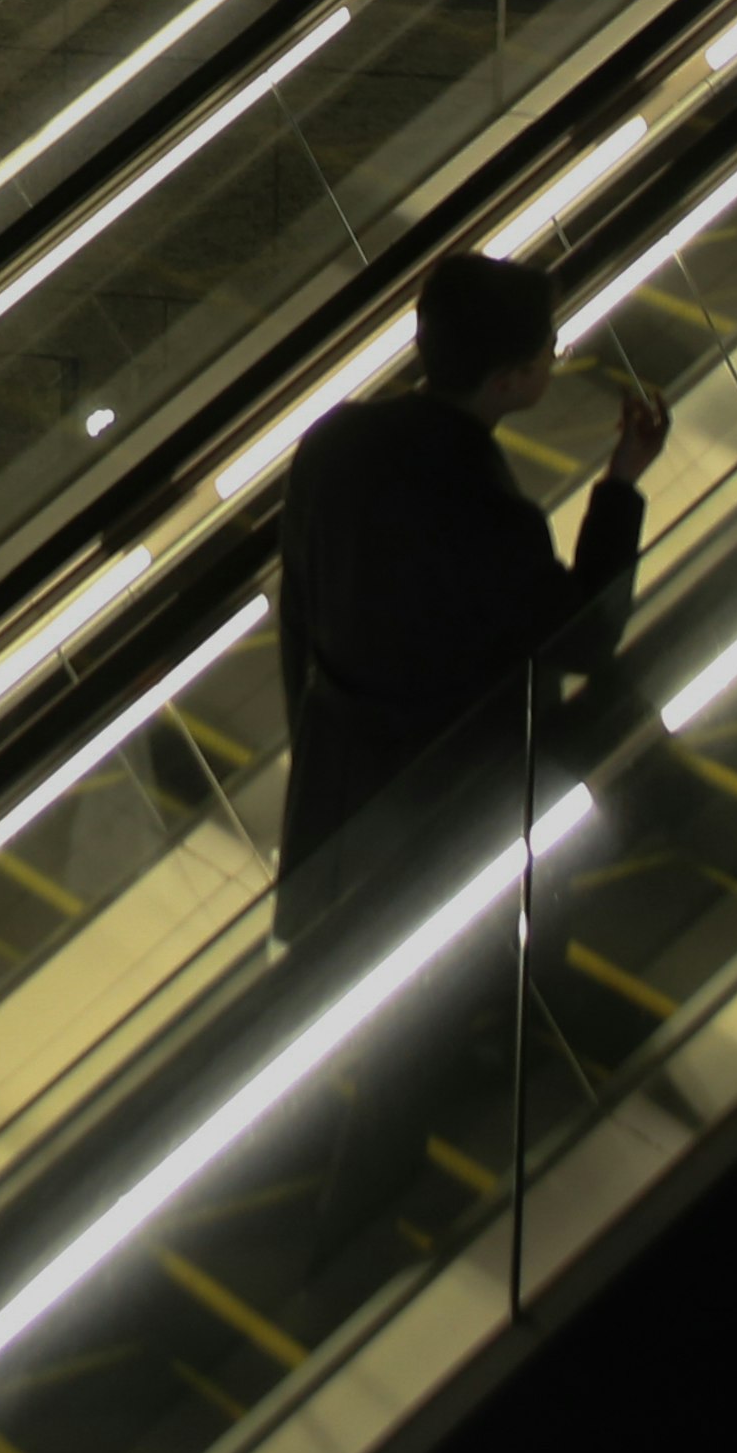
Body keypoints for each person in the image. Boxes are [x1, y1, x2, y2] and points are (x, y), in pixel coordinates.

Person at [272, 248, 666, 948]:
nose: (556, 355)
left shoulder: (333, 443)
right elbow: (584, 634)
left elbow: (297, 617)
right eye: (548, 348)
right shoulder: (483, 509)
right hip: (450, 810)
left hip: (340, 800)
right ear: (511, 380)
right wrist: (622, 482)